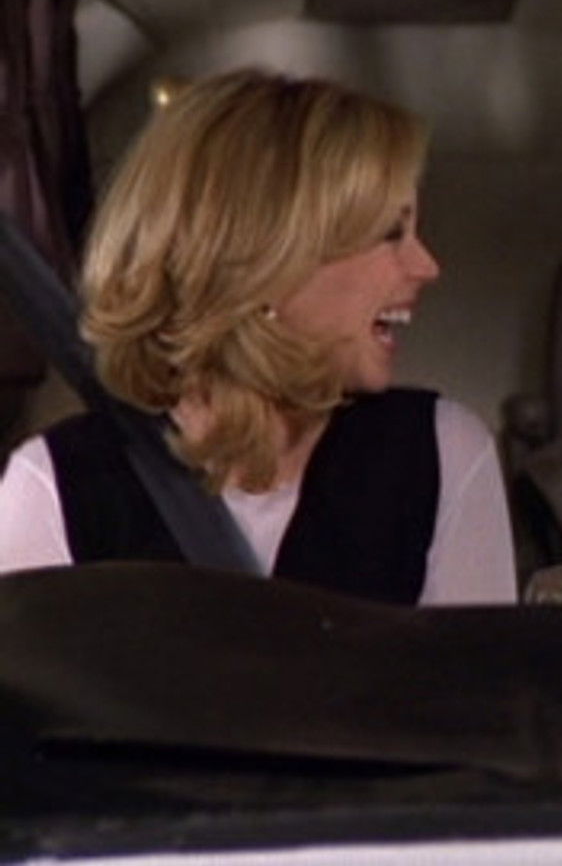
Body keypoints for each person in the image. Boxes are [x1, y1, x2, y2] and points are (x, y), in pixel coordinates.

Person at [0, 69, 517, 606]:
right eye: (391, 233)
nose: (426, 266)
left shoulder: (438, 455)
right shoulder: (54, 487)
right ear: (268, 260)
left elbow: (475, 664)